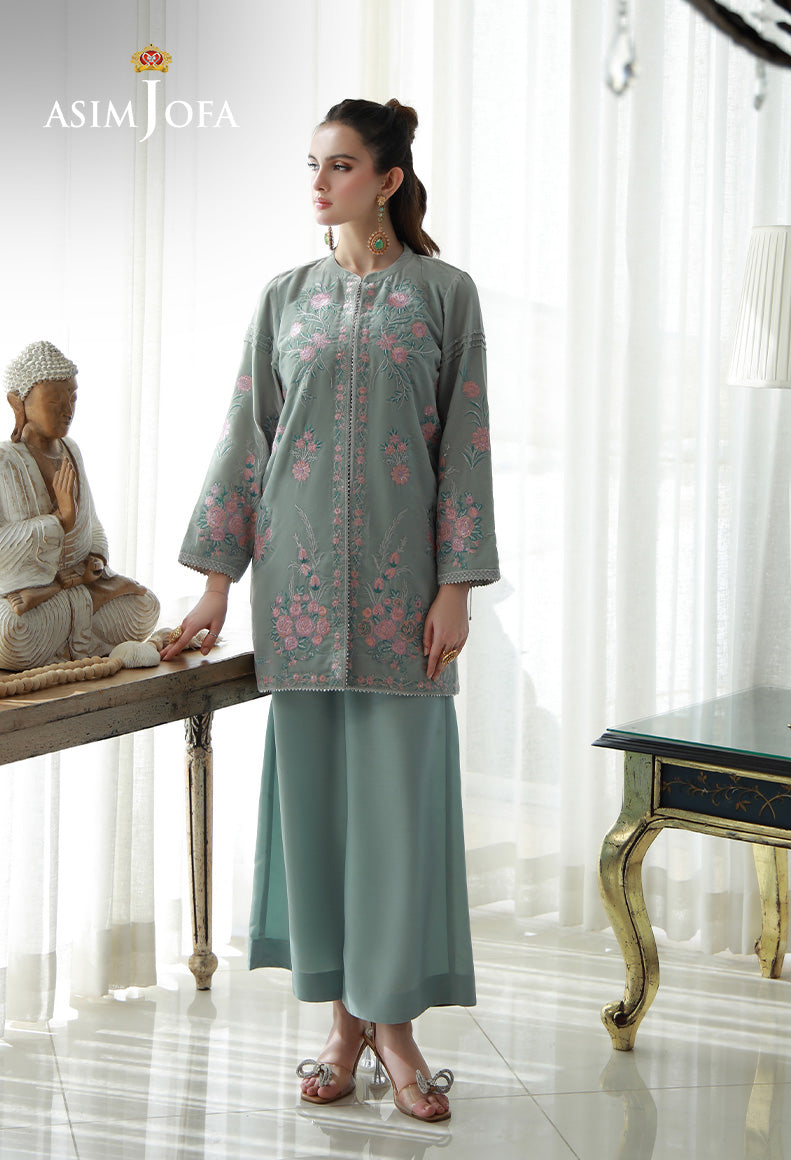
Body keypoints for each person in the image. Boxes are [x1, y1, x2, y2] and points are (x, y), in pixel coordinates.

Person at [162, 98, 499, 1123]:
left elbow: (466, 444)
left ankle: (393, 1027)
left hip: (406, 599)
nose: (318, 183)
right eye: (311, 164)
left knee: (396, 816)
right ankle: (343, 1027)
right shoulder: (284, 299)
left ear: (387, 180)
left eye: (340, 165)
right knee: (318, 818)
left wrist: (455, 585)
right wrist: (216, 581)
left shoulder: (443, 295)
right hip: (298, 595)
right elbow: (246, 437)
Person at [0, 341, 160, 670]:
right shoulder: (6, 461)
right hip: (31, 598)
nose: (67, 410)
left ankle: (87, 602)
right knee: (12, 632)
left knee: (146, 605)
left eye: (72, 398)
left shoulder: (72, 451)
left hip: (74, 585)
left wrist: (97, 558)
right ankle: (90, 603)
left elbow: (93, 523)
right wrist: (59, 520)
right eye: (55, 401)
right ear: (18, 404)